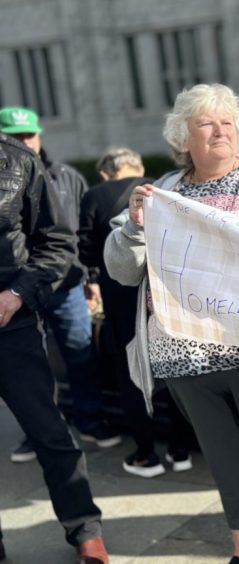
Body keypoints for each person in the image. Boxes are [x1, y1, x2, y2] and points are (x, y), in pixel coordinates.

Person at [105, 83, 239, 564]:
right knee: (226, 464)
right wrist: (134, 227)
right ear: (183, 137)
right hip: (186, 360)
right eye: (206, 123)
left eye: (227, 122)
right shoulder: (159, 194)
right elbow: (123, 271)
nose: (219, 130)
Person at [0, 132, 109, 562]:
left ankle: (85, 529)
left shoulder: (18, 160)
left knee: (50, 432)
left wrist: (16, 296)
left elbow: (57, 244)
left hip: (14, 326)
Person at [0, 106, 120, 463]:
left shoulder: (68, 177)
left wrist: (92, 280)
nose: (24, 142)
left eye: (29, 135)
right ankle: (36, 433)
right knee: (29, 368)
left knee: (79, 354)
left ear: (39, 135)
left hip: (65, 284)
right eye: (15, 136)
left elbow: (82, 233)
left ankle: (89, 421)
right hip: (19, 289)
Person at [78, 146, 193, 477]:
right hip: (163, 295)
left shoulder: (95, 195)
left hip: (121, 296)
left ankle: (146, 455)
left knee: (130, 374)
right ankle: (180, 450)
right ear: (139, 166)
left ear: (105, 172)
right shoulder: (161, 187)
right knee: (172, 370)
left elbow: (85, 250)